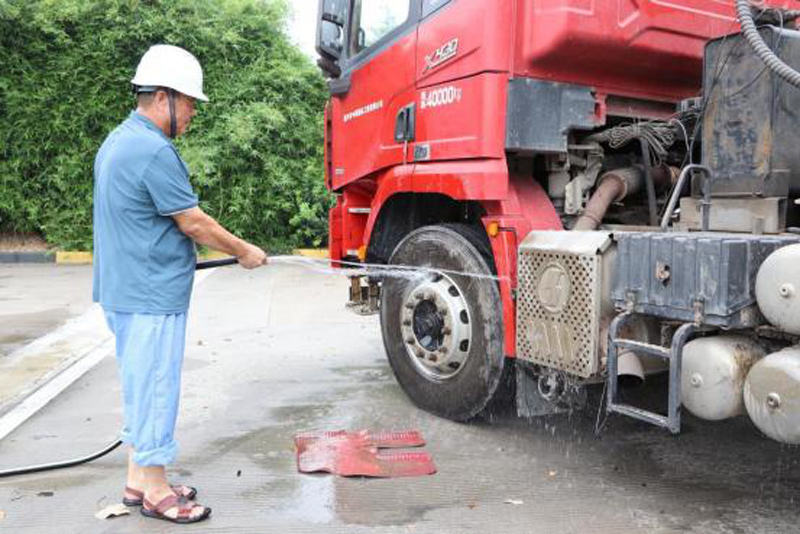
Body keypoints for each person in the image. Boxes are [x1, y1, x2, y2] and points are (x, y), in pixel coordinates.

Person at [92, 44, 267, 524]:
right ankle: (155, 491)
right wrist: (244, 251)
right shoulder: (152, 150)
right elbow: (194, 222)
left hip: (126, 289)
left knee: (141, 385)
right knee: (155, 387)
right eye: (189, 102)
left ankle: (137, 479)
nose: (192, 113)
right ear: (163, 98)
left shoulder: (119, 140)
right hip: (149, 295)